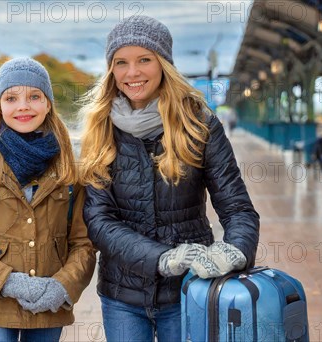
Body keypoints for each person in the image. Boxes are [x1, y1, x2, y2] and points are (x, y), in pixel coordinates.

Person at [78, 16, 260, 342]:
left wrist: (236, 250)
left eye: (144, 60)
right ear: (111, 70)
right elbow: (98, 219)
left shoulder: (199, 125)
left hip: (190, 288)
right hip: (123, 295)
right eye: (121, 62)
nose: (132, 73)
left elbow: (237, 208)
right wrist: (161, 258)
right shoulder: (99, 130)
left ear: (164, 64)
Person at [0, 58, 96, 342]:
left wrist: (63, 286)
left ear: (48, 104)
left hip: (49, 303)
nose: (23, 106)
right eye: (11, 98)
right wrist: (8, 282)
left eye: (34, 96)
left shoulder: (70, 169)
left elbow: (83, 244)